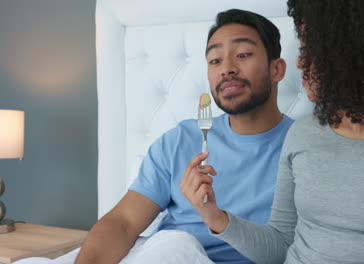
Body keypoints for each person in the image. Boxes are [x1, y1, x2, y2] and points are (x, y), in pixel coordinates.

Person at [183, 1, 364, 263]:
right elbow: (281, 246)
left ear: (360, 56)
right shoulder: (304, 133)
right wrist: (215, 217)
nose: (299, 63)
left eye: (311, 52)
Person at [74, 9, 293, 264]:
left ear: (276, 69)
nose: (227, 69)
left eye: (243, 55)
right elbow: (122, 223)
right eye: (215, 61)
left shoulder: (303, 147)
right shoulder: (180, 140)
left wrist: (215, 216)